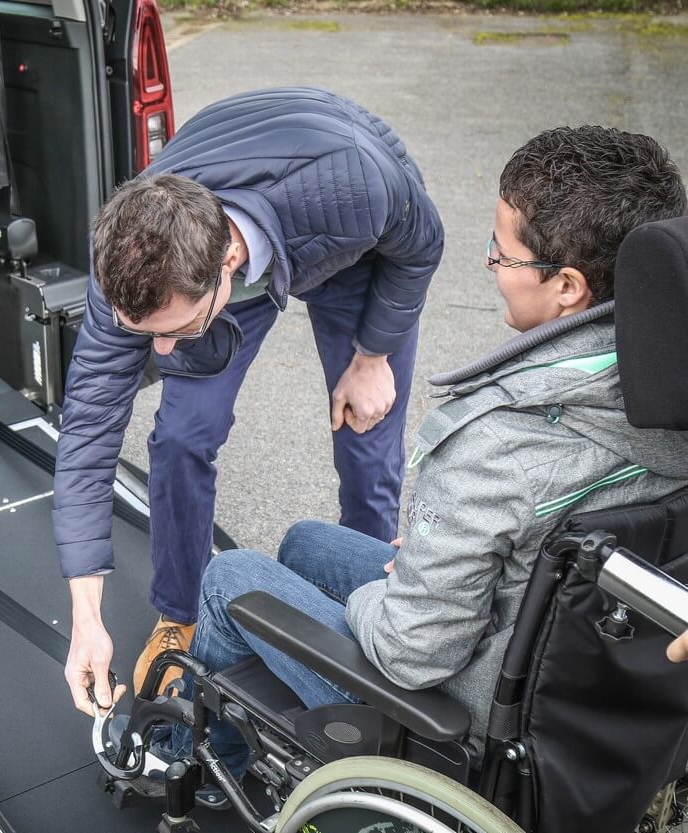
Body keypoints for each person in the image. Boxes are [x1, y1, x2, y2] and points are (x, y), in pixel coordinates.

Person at [154, 125, 688, 777]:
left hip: (458, 723)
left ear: (569, 287)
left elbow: (412, 653)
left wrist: (401, 589)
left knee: (228, 577)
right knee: (305, 544)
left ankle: (189, 771)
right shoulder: (665, 393)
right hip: (562, 666)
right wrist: (448, 559)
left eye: (502, 251)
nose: (490, 264)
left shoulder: (500, 442)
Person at [55, 87, 445, 713]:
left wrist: (373, 355)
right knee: (182, 433)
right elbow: (87, 433)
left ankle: (366, 629)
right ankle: (179, 613)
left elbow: (421, 244)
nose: (158, 356)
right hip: (242, 233)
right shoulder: (127, 261)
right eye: (144, 334)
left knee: (366, 440)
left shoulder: (358, 187)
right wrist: (85, 616)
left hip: (350, 241)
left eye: (173, 332)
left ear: (228, 264)